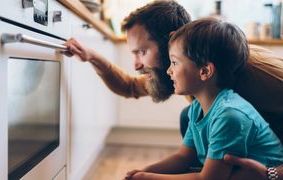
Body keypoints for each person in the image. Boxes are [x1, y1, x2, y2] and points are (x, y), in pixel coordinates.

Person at [64, 0, 283, 179]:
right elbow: (129, 86)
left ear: (170, 40)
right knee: (188, 116)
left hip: (271, 158)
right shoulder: (186, 72)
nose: (136, 64)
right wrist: (92, 57)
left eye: (141, 51)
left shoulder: (255, 72)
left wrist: (272, 174)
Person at [123, 18, 283, 180]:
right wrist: (145, 171)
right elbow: (184, 157)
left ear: (205, 71)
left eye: (175, 63)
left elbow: (207, 179)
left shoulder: (229, 116)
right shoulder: (198, 107)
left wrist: (148, 178)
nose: (168, 71)